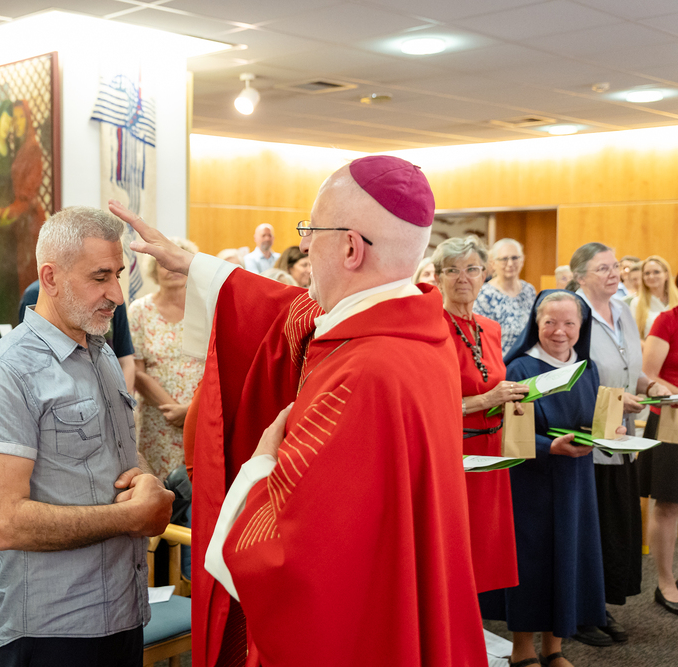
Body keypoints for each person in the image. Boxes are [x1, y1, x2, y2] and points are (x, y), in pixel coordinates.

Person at [111, 154, 488, 667]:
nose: (305, 245)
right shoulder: (418, 330)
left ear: (351, 247)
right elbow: (289, 310)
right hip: (387, 593)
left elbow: (288, 556)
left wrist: (262, 463)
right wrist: (197, 267)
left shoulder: (362, 372)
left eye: (312, 230)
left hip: (353, 632)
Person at [0, 206, 174, 667]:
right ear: (51, 277)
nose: (116, 294)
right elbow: (5, 523)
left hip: (123, 608)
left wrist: (144, 479)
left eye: (118, 275)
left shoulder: (99, 352)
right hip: (55, 627)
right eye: (100, 277)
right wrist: (130, 516)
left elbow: (117, 453)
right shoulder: (7, 372)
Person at [494, 290, 607, 667]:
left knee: (569, 557)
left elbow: (591, 419)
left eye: (569, 323)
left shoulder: (587, 368)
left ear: (581, 327)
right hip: (532, 481)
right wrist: (548, 448)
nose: (560, 331)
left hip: (576, 480)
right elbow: (507, 431)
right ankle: (522, 650)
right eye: (550, 322)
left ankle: (554, 648)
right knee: (532, 562)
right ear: (536, 324)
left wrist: (611, 431)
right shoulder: (520, 369)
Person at [567, 242, 669, 645]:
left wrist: (649, 385)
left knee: (613, 529)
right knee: (588, 530)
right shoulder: (572, 314)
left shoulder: (623, 310)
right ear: (580, 276)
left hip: (621, 437)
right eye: (603, 268)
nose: (615, 274)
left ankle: (597, 607)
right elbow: (565, 378)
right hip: (584, 439)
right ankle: (577, 613)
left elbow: (630, 369)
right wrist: (613, 398)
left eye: (615, 267)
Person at [433, 237, 524, 595]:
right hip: (453, 454)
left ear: (485, 274)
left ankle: (474, 623)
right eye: (452, 270)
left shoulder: (490, 328)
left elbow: (492, 383)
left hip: (492, 452)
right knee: (452, 551)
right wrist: (486, 399)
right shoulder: (431, 329)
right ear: (437, 277)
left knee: (484, 549)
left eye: (472, 269)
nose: (463, 278)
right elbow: (427, 404)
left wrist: (509, 399)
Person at [128, 237, 205, 480]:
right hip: (159, 419)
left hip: (201, 415)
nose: (172, 268)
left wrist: (190, 411)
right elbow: (136, 370)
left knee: (200, 485)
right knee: (160, 488)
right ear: (154, 270)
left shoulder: (206, 308)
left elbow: (219, 364)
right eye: (164, 263)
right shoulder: (139, 310)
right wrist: (173, 410)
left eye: (177, 261)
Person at [0, 99, 46, 325]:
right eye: (12, 118)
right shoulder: (11, 149)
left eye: (20, 118)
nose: (15, 123)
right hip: (13, 226)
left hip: (26, 223)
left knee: (26, 281)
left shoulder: (31, 148)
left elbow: (27, 194)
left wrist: (8, 212)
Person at [18, 278, 136, 394]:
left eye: (118, 275)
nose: (118, 296)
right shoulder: (35, 295)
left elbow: (126, 360)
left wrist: (120, 400)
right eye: (100, 277)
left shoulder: (111, 300)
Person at [639, 296, 678, 615]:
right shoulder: (668, 320)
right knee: (668, 503)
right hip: (671, 419)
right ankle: (666, 582)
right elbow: (648, 374)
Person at [474, 238, 537, 356]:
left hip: (528, 359)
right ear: (493, 263)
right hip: (500, 361)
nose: (510, 263)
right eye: (504, 259)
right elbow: (480, 338)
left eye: (515, 258)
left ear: (522, 260)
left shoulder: (529, 290)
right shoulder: (484, 295)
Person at [631, 255, 678, 339]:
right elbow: (633, 336)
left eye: (656, 272)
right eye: (647, 273)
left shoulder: (676, 299)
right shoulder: (636, 303)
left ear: (666, 275)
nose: (651, 276)